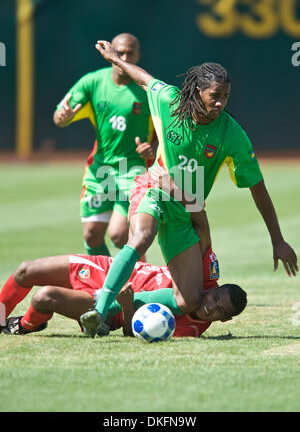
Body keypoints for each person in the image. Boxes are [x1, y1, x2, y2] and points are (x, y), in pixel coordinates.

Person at [79, 40, 297, 337]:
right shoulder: (169, 100)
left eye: (226, 96)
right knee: (142, 235)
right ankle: (99, 308)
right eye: (215, 96)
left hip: (186, 209)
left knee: (190, 300)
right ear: (198, 91)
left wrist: (278, 240)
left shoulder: (232, 134)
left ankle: (122, 306)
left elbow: (258, 188)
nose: (220, 102)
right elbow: (143, 78)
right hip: (154, 187)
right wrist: (116, 59)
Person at [53, 33, 156, 257]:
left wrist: (152, 148)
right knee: (91, 235)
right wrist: (62, 117)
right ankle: (105, 285)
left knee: (120, 235)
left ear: (138, 55)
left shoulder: (147, 89)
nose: (125, 57)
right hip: (100, 170)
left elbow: (163, 130)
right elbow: (60, 115)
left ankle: (142, 284)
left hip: (132, 171)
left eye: (130, 52)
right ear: (109, 53)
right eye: (120, 52)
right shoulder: (93, 82)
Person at [0, 247, 247, 338]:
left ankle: (25, 325)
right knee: (25, 271)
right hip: (108, 271)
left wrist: (127, 308)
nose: (211, 307)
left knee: (44, 297)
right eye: (215, 298)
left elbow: (136, 333)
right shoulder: (201, 280)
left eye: (219, 311)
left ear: (224, 319)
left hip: (110, 310)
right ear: (212, 288)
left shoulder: (189, 329)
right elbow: (201, 232)